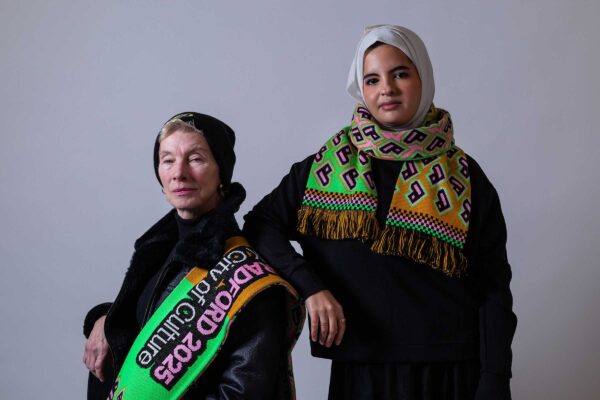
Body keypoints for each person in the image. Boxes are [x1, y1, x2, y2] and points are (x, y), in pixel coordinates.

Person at [243, 25, 517, 399]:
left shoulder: (464, 177)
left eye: (400, 73)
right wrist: (311, 287)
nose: (386, 88)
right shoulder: (328, 168)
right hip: (361, 372)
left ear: (423, 76)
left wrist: (495, 379)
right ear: (361, 89)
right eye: (371, 79)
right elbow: (260, 225)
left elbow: (494, 289)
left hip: (451, 372)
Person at [83, 112, 304, 400]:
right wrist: (104, 318)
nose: (179, 173)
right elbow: (149, 326)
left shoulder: (249, 280)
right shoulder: (160, 250)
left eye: (196, 158)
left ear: (221, 173)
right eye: (168, 160)